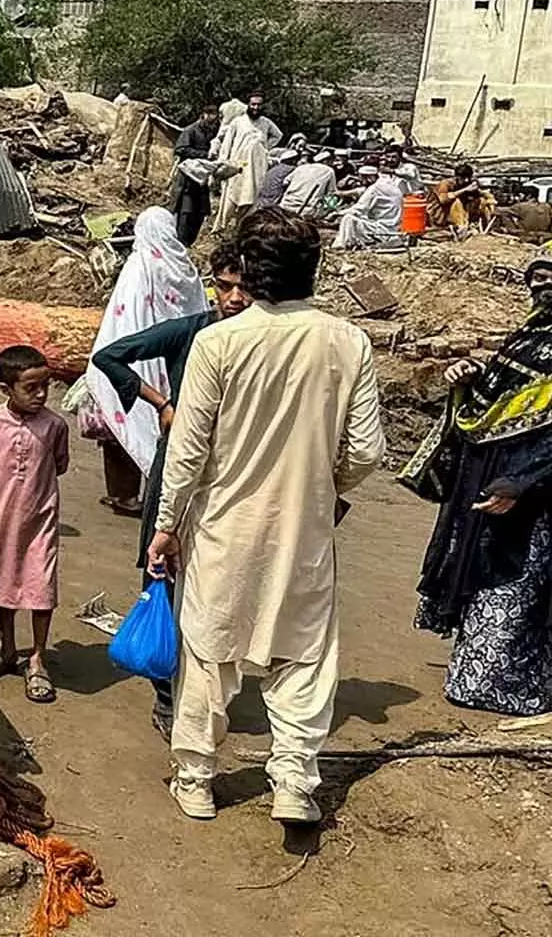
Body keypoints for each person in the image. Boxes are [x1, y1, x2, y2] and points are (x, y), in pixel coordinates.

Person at [149, 208, 385, 825]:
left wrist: (167, 524)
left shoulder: (218, 342)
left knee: (207, 651)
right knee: (303, 657)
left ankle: (196, 779)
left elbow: (188, 450)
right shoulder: (348, 341)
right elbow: (365, 451)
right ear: (314, 269)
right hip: (305, 529)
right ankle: (293, 783)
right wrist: (324, 488)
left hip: (223, 526)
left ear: (249, 272)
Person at [91, 241, 251, 739]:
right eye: (225, 286)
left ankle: (207, 685)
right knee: (161, 571)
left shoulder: (260, 340)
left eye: (244, 288)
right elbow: (111, 355)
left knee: (219, 577)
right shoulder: (193, 330)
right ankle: (166, 693)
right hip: (177, 464)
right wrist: (162, 402)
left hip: (230, 471)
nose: (233, 298)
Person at [407, 256, 552, 717]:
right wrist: (468, 379)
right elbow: (499, 401)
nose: (542, 284)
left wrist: (523, 481)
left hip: (535, 496)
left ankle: (516, 683)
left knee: (520, 583)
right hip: (499, 483)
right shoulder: (532, 333)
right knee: (492, 572)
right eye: (537, 275)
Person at [84, 207, 211, 516]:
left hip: (134, 356)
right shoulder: (185, 267)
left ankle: (125, 495)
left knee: (120, 425)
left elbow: (126, 315)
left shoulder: (139, 265)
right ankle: (154, 492)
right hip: (176, 358)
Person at [0, 344, 71, 703]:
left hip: (39, 521)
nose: (41, 395)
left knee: (41, 589)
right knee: (3, 582)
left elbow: (59, 465)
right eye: (31, 388)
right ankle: (6, 646)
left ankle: (38, 658)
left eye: (45, 386)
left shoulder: (55, 426)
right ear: (6, 389)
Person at [212, 94, 284, 230]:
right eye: (253, 104)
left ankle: (241, 229)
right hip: (238, 165)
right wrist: (223, 161)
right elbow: (227, 143)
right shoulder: (238, 122)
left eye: (259, 105)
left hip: (256, 167)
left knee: (251, 198)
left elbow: (278, 135)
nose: (256, 108)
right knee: (231, 196)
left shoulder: (266, 123)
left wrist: (265, 147)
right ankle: (220, 228)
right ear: (248, 105)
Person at [168, 107, 223, 245]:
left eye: (214, 121)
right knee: (185, 213)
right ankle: (181, 243)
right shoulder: (190, 131)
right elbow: (180, 149)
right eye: (209, 119)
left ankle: (190, 242)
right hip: (187, 179)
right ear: (202, 115)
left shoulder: (212, 133)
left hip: (202, 179)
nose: (211, 124)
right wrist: (203, 155)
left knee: (200, 212)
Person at [334, 164, 407, 250]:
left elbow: (358, 209)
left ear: (368, 178)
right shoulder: (387, 182)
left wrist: (337, 213)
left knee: (348, 219)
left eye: (362, 178)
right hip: (394, 225)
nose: (360, 181)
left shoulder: (374, 189)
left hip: (384, 228)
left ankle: (340, 245)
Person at [428, 164, 492, 231]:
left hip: (460, 212)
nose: (466, 180)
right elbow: (443, 199)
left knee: (482, 201)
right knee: (457, 202)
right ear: (457, 177)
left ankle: (485, 224)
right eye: (463, 178)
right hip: (440, 214)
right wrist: (465, 189)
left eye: (468, 177)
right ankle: (461, 226)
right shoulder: (446, 184)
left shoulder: (468, 183)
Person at [281, 151, 340, 218]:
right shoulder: (329, 171)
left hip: (285, 205)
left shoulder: (301, 167)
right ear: (326, 161)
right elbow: (331, 194)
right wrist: (331, 211)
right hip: (306, 210)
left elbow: (285, 182)